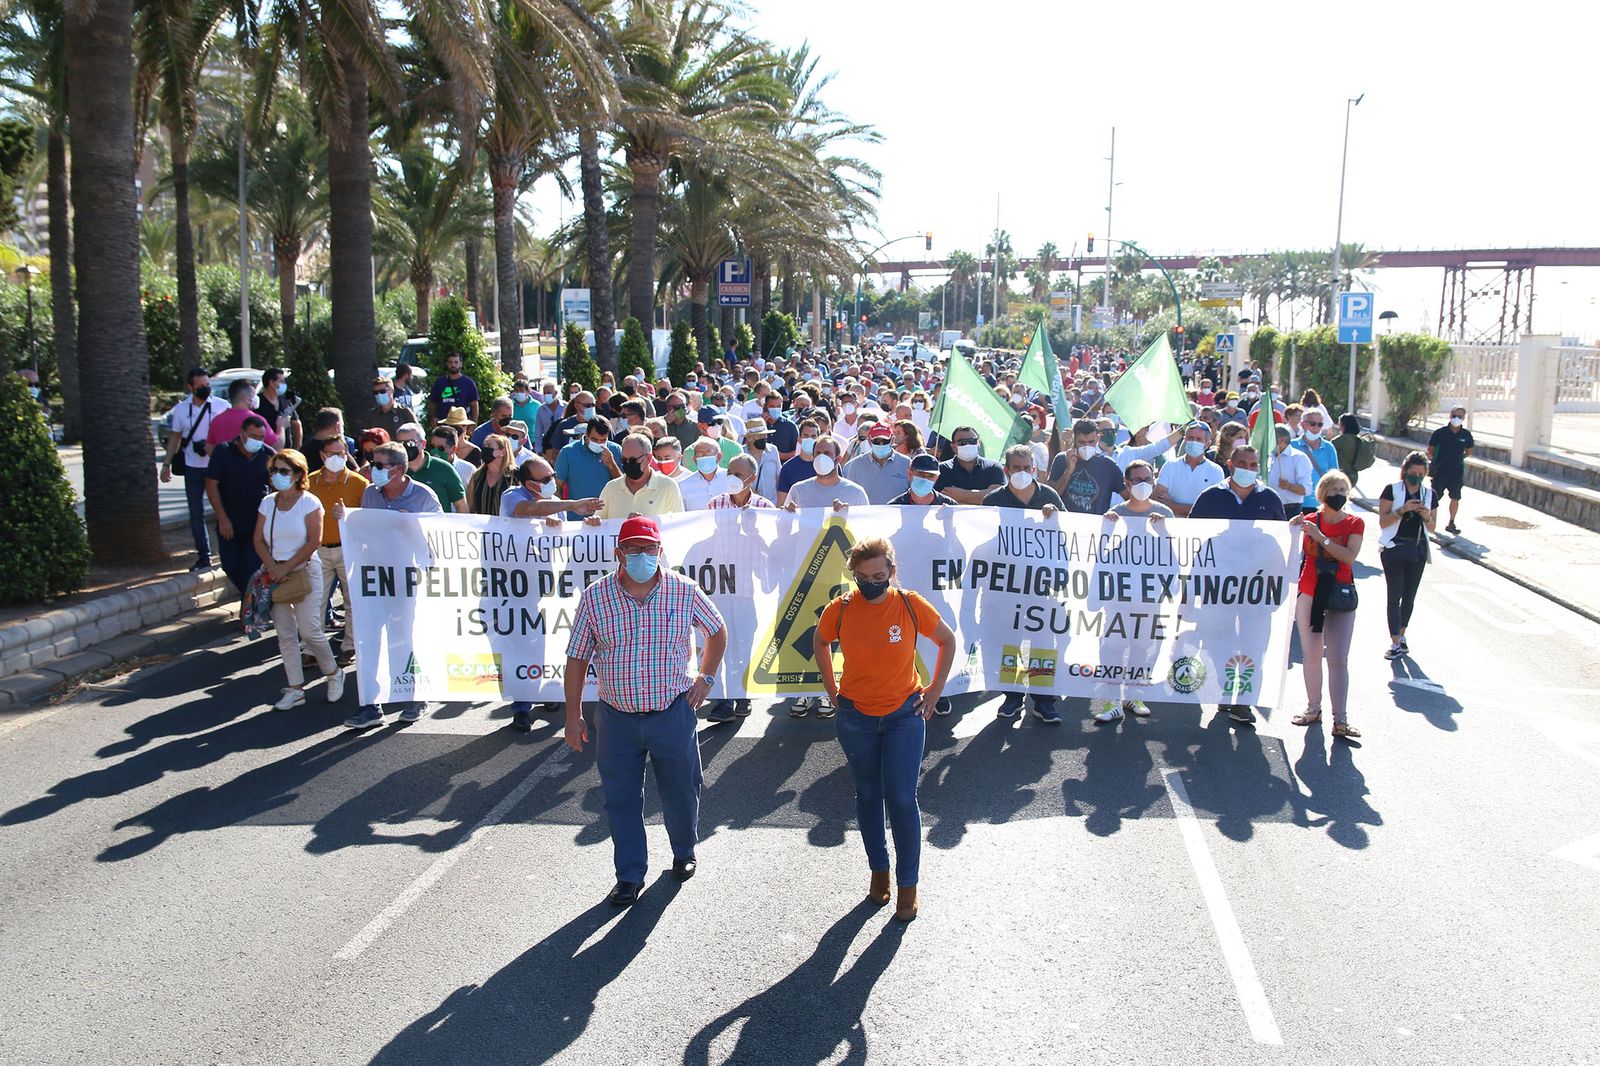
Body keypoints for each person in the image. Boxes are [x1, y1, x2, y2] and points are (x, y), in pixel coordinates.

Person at [563, 515, 728, 907]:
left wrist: (706, 678)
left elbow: (717, 630)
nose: (642, 556)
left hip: (672, 711)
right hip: (616, 717)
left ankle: (684, 851)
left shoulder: (684, 590)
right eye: (633, 549)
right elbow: (576, 658)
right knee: (620, 798)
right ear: (618, 552)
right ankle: (629, 875)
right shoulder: (596, 596)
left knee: (682, 790)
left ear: (660, 551)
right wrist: (573, 715)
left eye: (649, 549)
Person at [815, 538, 956, 922]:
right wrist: (832, 691)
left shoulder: (910, 603)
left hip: (904, 716)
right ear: (854, 576)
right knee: (867, 794)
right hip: (856, 716)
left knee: (901, 798)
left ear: (892, 570)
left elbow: (947, 640)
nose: (871, 583)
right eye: (862, 577)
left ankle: (908, 885)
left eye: (879, 575)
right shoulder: (841, 608)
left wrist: (934, 691)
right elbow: (820, 640)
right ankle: (880, 871)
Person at [340, 442, 442, 731]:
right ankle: (371, 705)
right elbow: (364, 531)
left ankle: (414, 696)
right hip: (373, 578)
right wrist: (347, 523)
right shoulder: (370, 494)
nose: (372, 470)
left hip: (407, 580)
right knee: (368, 640)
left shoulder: (423, 497)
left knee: (403, 639)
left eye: (378, 465)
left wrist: (408, 526)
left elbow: (438, 540)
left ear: (397, 469)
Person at [1190, 445, 1289, 725]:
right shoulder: (1210, 498)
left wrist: (1278, 590)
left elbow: (1281, 541)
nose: (1248, 468)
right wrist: (1192, 591)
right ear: (1230, 465)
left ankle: (1244, 701)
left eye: (1254, 464)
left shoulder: (1270, 499)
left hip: (1257, 592)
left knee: (1254, 647)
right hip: (1218, 589)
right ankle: (1225, 690)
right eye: (1242, 463)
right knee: (1218, 643)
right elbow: (1193, 541)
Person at [253, 448, 341, 711]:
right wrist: (272, 567)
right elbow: (258, 539)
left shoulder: (310, 503)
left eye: (283, 471)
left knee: (310, 630)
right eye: (273, 471)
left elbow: (314, 540)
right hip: (275, 573)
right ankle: (295, 688)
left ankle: (334, 672)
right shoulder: (268, 503)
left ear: (297, 474)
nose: (277, 476)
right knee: (285, 635)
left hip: (304, 571)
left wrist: (288, 567)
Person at [984, 444, 1063, 723]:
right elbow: (984, 540)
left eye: (1026, 468)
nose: (1021, 472)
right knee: (1009, 644)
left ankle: (1043, 701)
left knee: (1042, 643)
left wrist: (1055, 520)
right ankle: (1013, 697)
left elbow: (1064, 540)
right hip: (1006, 586)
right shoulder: (994, 500)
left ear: (1034, 469)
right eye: (1015, 468)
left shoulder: (1049, 497)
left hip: (1041, 588)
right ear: (1006, 470)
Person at [1091, 460, 1174, 723]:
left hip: (1149, 598)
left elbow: (1173, 559)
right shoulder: (1115, 513)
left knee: (1143, 647)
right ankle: (1110, 701)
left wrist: (1164, 533)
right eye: (1136, 480)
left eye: (1147, 479)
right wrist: (1106, 530)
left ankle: (1134, 694)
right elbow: (1100, 556)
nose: (1142, 484)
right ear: (1126, 484)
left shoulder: (1164, 514)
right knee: (1112, 647)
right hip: (1118, 596)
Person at [1290, 470, 1364, 740]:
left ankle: (1340, 720)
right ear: (1322, 494)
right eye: (1333, 491)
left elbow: (1349, 556)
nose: (1338, 496)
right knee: (1310, 656)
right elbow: (1284, 543)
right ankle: (1313, 709)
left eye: (1343, 491)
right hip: (1309, 591)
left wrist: (1321, 537)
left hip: (1340, 595)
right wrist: (1293, 525)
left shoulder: (1355, 523)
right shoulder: (1309, 521)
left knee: (1337, 658)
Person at [308, 436, 369, 664]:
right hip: (318, 550)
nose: (338, 458)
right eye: (332, 454)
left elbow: (367, 519)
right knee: (315, 600)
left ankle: (350, 646)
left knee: (352, 600)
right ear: (323, 455)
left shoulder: (358, 483)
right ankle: (311, 648)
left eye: (342, 454)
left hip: (349, 549)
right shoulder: (309, 482)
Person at [161, 367, 228, 570]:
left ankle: (225, 554)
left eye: (207, 385)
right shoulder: (181, 409)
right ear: (190, 387)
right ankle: (204, 556)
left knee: (223, 510)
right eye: (200, 386)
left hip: (217, 467)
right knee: (195, 513)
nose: (205, 389)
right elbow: (175, 437)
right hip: (193, 467)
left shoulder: (221, 406)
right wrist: (166, 463)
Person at [1377, 451, 1436, 660]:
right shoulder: (1391, 490)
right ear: (1405, 471)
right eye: (1413, 473)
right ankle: (1394, 642)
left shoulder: (1429, 494)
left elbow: (1433, 526)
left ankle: (1401, 635)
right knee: (1394, 596)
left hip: (1417, 550)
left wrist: (1425, 514)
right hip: (1393, 547)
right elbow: (1383, 522)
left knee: (1409, 597)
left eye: (1421, 474)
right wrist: (1401, 510)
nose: (1417, 477)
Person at [205, 415, 273, 596]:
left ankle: (249, 612)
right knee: (230, 565)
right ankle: (251, 603)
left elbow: (277, 488)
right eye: (253, 436)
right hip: (229, 522)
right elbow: (211, 485)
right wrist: (222, 518)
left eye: (261, 437)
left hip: (257, 525)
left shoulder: (268, 455)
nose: (257, 441)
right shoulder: (223, 451)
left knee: (251, 569)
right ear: (242, 434)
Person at [595, 432, 686, 518]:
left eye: (633, 460)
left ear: (648, 459)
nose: (628, 464)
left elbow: (678, 525)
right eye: (624, 460)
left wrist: (644, 525)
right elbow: (599, 522)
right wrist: (593, 522)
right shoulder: (611, 488)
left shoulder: (668, 486)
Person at [1047, 417, 1123, 514]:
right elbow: (1051, 496)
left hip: (1095, 526)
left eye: (1091, 442)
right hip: (1066, 524)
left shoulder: (1108, 464)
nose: (1086, 446)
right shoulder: (1062, 459)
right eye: (1082, 442)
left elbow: (1129, 496)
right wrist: (1069, 470)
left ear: (1098, 438)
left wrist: (1114, 512)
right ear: (1074, 439)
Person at [555, 417, 621, 520]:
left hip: (608, 519)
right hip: (576, 520)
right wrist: (558, 514)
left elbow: (623, 485)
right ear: (586, 434)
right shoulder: (568, 452)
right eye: (594, 439)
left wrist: (611, 464)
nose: (599, 443)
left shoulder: (615, 450)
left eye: (603, 440)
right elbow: (558, 486)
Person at [1154, 422, 1225, 517]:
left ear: (1207, 444)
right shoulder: (1170, 466)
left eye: (1199, 439)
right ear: (1185, 440)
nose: (1194, 442)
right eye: (1190, 438)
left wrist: (1173, 504)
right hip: (1171, 526)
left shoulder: (1216, 471)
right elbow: (1157, 499)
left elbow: (1213, 507)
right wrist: (1194, 508)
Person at [395, 422, 467, 513]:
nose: (405, 447)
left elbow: (461, 506)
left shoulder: (444, 469)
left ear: (423, 444)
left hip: (437, 526)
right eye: (400, 444)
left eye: (410, 443)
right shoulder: (394, 470)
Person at [783, 436, 869, 512]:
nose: (821, 457)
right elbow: (783, 525)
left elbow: (865, 525)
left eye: (827, 453)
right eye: (818, 453)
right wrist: (788, 513)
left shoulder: (856, 493)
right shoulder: (798, 490)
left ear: (838, 459)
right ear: (813, 457)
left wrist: (849, 514)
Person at [1427, 405, 1473, 535]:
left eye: (1460, 416)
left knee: (1455, 497)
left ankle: (1451, 523)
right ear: (1450, 416)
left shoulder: (1466, 435)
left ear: (1463, 418)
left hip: (1456, 472)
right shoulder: (1440, 433)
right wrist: (1435, 462)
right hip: (1440, 471)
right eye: (1454, 415)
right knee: (1435, 497)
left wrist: (1458, 459)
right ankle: (1429, 521)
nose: (1456, 418)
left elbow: (1468, 451)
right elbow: (1430, 450)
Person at [843, 423, 912, 504]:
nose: (881, 444)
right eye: (876, 441)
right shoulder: (856, 465)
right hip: (867, 516)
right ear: (869, 441)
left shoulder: (906, 463)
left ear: (892, 440)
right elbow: (850, 496)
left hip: (896, 516)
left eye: (885, 441)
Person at [934, 426, 1005, 504]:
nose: (968, 445)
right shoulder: (941, 469)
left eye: (973, 441)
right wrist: (981, 496)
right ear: (953, 447)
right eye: (962, 442)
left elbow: (997, 498)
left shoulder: (994, 467)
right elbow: (940, 499)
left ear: (979, 443)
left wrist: (960, 495)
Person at [1289, 409, 1340, 516]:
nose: (1316, 427)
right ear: (1302, 424)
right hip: (1296, 503)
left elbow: (1335, 477)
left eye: (1320, 424)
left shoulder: (1329, 448)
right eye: (1312, 424)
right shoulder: (1292, 445)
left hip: (1321, 504)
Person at [208, 378, 281, 449]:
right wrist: (281, 427)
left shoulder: (217, 420)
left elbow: (209, 447)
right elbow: (277, 445)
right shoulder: (256, 420)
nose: (256, 398)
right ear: (246, 398)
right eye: (254, 394)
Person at [677, 436, 741, 510]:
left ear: (719, 457)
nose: (704, 456)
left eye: (709, 452)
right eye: (700, 454)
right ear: (694, 459)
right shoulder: (683, 485)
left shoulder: (733, 480)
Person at [1264, 423, 1313, 512]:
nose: (1268, 442)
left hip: (1290, 509)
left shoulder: (1299, 458)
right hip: (1269, 507)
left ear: (1283, 440)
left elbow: (1307, 490)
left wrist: (1288, 486)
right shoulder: (1269, 457)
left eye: (1271, 439)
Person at [776, 417, 823, 506]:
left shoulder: (829, 465)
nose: (809, 439)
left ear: (818, 438)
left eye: (813, 436)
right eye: (806, 435)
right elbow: (781, 504)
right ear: (799, 438)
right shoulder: (787, 468)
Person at [465, 432, 515, 516]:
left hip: (507, 526)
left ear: (502, 452)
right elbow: (470, 507)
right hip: (482, 526)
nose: (485, 449)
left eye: (489, 446)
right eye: (484, 446)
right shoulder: (477, 477)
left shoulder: (515, 476)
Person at [427, 350, 480, 422]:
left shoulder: (468, 383)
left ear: (461, 364)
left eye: (456, 362)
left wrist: (474, 423)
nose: (453, 365)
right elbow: (432, 402)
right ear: (447, 364)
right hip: (443, 422)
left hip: (462, 423)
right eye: (450, 362)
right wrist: (433, 419)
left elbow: (474, 405)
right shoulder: (439, 382)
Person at [256, 366, 300, 449]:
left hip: (286, 452)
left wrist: (297, 449)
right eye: (281, 381)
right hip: (266, 451)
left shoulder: (285, 401)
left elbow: (296, 424)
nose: (284, 384)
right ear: (272, 383)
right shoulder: (258, 403)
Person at [890, 453, 956, 507]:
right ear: (910, 474)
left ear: (937, 478)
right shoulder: (894, 507)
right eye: (921, 474)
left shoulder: (950, 506)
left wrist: (949, 519)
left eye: (931, 476)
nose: (925, 480)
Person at [1330, 412, 1374, 492]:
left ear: (1343, 425)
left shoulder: (1339, 441)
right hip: (1353, 476)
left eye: (1340, 424)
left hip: (1339, 476)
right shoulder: (1359, 440)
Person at [743, 418, 781, 501]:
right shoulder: (741, 453)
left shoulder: (773, 450)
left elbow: (779, 477)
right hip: (750, 505)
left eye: (765, 434)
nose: (764, 437)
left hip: (772, 504)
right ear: (749, 438)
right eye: (760, 435)